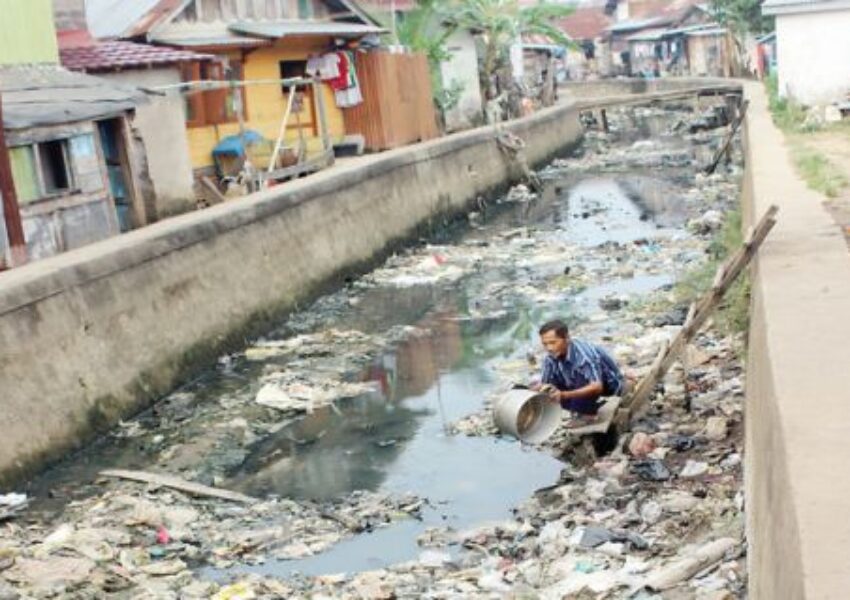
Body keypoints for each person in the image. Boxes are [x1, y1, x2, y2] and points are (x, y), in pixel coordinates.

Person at [535, 319, 625, 424]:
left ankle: (588, 413)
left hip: (608, 386)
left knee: (581, 375)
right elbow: (545, 384)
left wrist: (563, 395)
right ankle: (582, 409)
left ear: (567, 338)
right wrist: (535, 389)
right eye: (545, 344)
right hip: (577, 388)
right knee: (548, 390)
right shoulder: (550, 358)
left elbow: (597, 386)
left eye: (553, 342)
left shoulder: (583, 355)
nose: (549, 348)